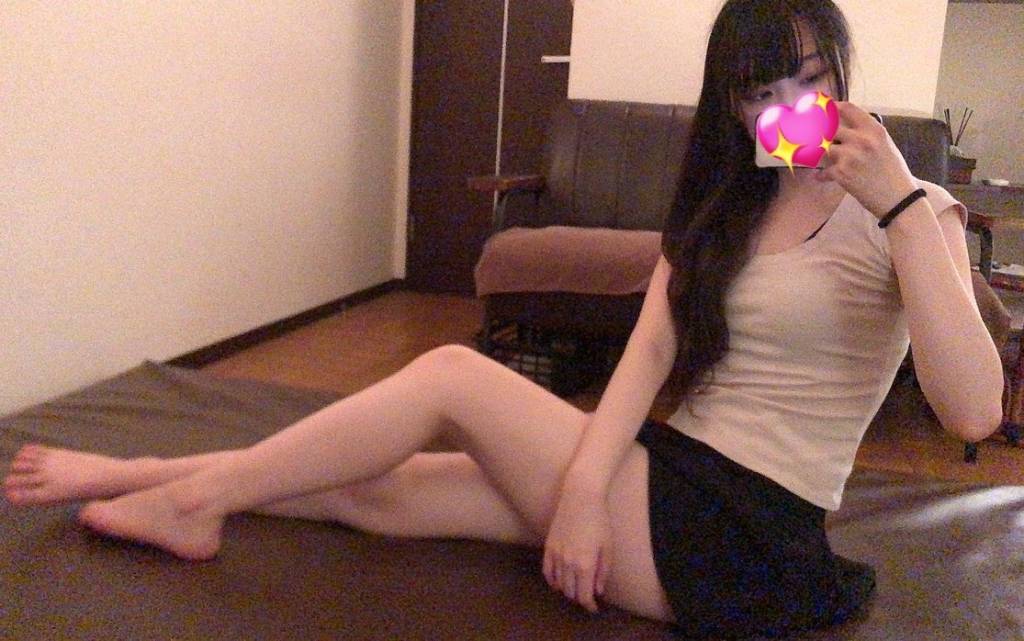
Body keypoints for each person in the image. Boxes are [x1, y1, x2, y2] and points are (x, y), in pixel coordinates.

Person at [2, 0, 1003, 638]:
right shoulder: (728, 203)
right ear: (734, 107)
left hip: (742, 531)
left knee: (450, 376)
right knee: (380, 493)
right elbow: (651, 350)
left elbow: (971, 410)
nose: (790, 106)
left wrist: (900, 205)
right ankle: (142, 475)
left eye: (811, 79)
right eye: (761, 91)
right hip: (669, 472)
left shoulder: (916, 212)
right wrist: (585, 488)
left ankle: (192, 501)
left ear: (841, 77)